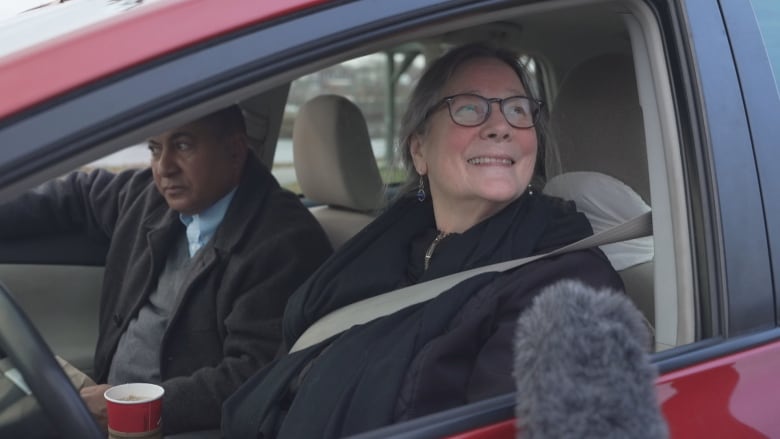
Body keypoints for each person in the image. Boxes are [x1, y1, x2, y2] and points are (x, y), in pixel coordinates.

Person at [221, 43, 625, 438]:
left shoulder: (568, 286)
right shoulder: (383, 246)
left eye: (518, 110)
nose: (501, 126)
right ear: (419, 151)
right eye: (469, 108)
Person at [0, 105, 333, 434]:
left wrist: (130, 408)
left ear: (234, 150)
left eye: (183, 145)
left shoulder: (282, 240)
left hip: (163, 426)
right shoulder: (151, 197)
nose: (164, 167)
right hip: (109, 401)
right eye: (155, 149)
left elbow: (253, 375)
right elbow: (75, 195)